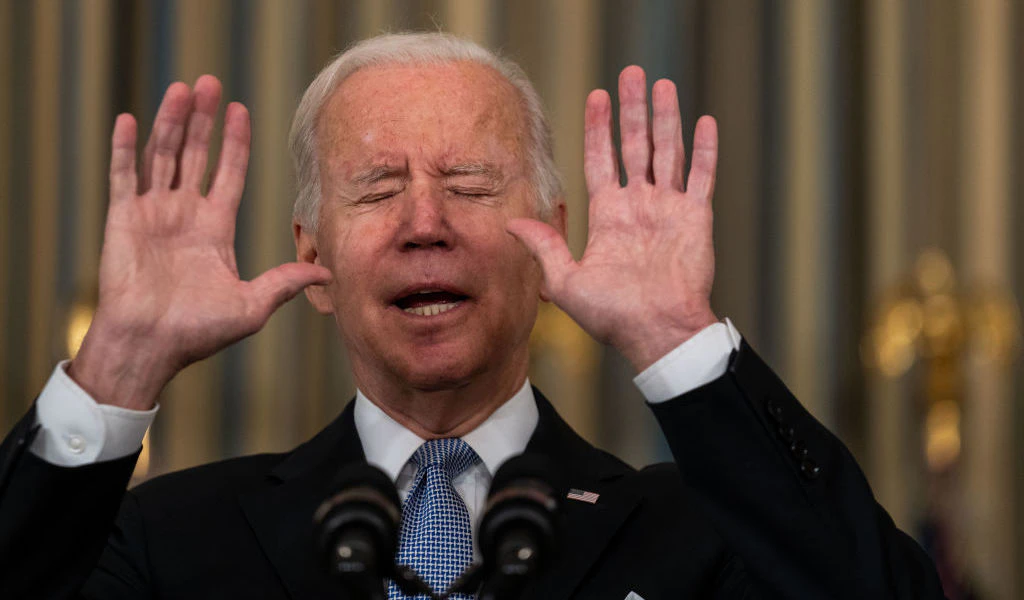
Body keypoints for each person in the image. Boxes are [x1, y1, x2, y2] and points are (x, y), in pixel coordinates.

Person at [0, 33, 943, 599]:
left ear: (550, 243)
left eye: (470, 183)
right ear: (312, 259)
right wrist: (115, 368)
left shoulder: (703, 534)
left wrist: (676, 340)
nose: (425, 223)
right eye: (376, 190)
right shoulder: (169, 538)